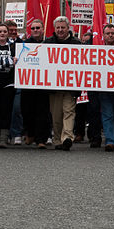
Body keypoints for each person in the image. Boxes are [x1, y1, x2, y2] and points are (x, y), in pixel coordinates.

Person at [44, 16, 81, 151]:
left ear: (68, 28)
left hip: (71, 86)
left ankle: (67, 138)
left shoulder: (77, 44)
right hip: (54, 86)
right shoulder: (47, 43)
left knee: (69, 111)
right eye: (58, 28)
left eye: (63, 28)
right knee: (56, 114)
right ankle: (58, 139)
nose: (60, 30)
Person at [21, 19, 51, 148]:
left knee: (42, 113)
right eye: (33, 28)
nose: (35, 30)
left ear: (43, 29)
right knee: (27, 111)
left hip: (44, 84)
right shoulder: (24, 44)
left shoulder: (49, 43)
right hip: (28, 84)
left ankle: (41, 139)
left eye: (38, 28)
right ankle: (30, 134)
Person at [4, 19, 24, 145]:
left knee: (17, 108)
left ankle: (17, 133)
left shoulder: (23, 43)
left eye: (15, 31)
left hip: (20, 80)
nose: (13, 33)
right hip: (6, 81)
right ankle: (6, 134)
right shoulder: (1, 44)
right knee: (6, 109)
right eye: (10, 31)